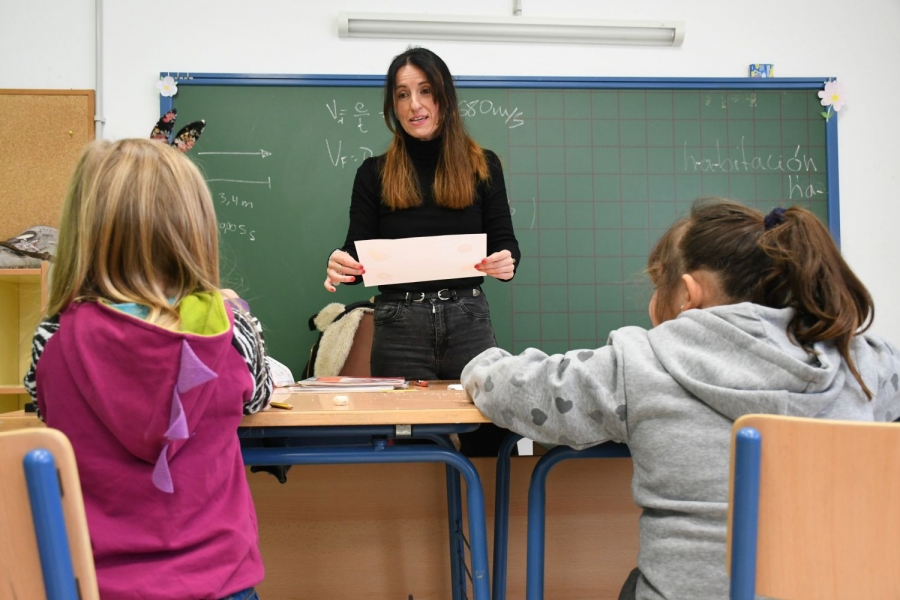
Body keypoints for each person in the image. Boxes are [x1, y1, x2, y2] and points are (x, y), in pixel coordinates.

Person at [460, 198, 900, 600]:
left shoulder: (642, 363)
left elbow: (513, 391)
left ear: (688, 293)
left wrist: (483, 362)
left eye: (659, 285)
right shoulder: (865, 361)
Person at [23, 138, 273, 600]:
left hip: (98, 583)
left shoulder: (53, 338)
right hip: (219, 579)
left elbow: (46, 408)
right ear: (194, 227)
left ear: (84, 229)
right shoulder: (230, 327)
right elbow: (258, 397)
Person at [324, 46, 521, 456]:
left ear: (444, 97)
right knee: (407, 445)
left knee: (488, 437)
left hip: (467, 320)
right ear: (393, 106)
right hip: (399, 324)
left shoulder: (483, 166)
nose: (414, 104)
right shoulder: (374, 173)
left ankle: (486, 501)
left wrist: (506, 262)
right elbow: (356, 253)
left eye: (425, 90)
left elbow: (505, 243)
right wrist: (341, 265)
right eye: (402, 94)